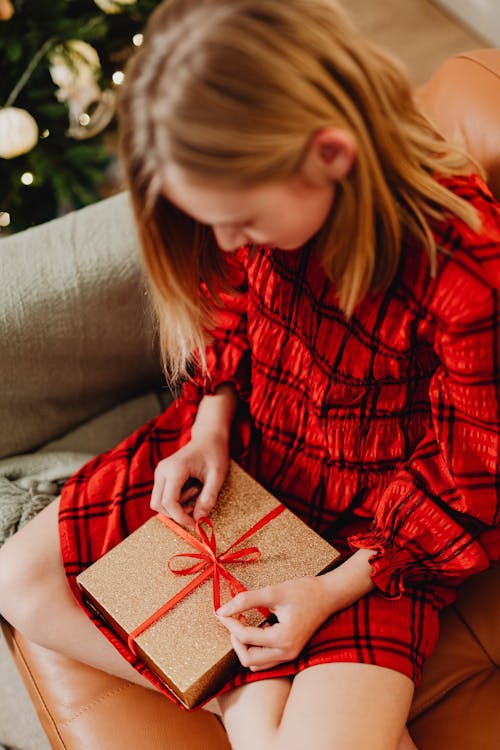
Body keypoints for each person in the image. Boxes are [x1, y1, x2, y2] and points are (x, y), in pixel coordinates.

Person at [1, 1, 499, 748]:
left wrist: (327, 594)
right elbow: (229, 315)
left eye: (243, 221)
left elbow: (468, 483)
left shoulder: (464, 271)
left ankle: (249, 688)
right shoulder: (253, 201)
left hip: (377, 532)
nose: (228, 240)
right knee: (19, 579)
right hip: (251, 450)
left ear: (330, 155)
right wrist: (208, 427)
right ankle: (242, 687)